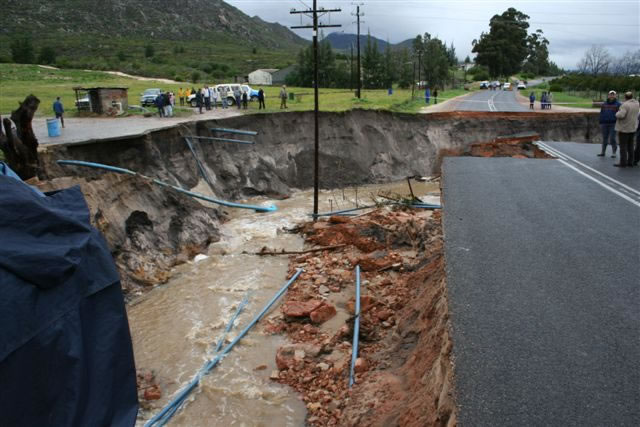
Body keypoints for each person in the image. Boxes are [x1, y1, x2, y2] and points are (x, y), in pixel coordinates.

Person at [614, 91, 639, 167]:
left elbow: (621, 115)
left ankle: (623, 163)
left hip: (624, 128)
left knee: (623, 147)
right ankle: (630, 162)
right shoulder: (637, 104)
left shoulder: (625, 105)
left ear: (625, 97)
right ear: (632, 96)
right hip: (633, 127)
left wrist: (616, 113)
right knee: (630, 146)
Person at [598, 90, 621, 158]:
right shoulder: (604, 104)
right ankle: (603, 152)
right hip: (604, 123)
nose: (612, 96)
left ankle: (614, 152)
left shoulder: (618, 104)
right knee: (604, 138)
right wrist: (600, 121)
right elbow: (601, 113)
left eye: (613, 95)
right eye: (610, 94)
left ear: (615, 96)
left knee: (612, 138)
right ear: (608, 95)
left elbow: (620, 114)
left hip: (613, 123)